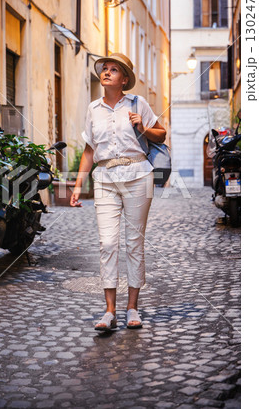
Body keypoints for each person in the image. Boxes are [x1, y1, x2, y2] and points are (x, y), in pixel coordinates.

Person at [70, 53, 166, 331]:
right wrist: (78, 185)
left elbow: (162, 134)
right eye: (105, 69)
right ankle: (109, 311)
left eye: (114, 70)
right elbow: (89, 150)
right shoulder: (94, 109)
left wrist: (143, 127)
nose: (107, 73)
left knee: (134, 243)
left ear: (124, 80)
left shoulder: (138, 103)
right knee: (108, 244)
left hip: (138, 175)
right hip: (105, 179)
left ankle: (132, 308)